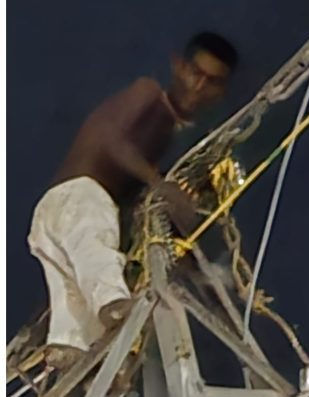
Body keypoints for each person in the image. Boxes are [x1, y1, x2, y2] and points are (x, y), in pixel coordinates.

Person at [28, 32, 239, 369]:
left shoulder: (162, 139)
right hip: (79, 199)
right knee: (98, 260)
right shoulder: (148, 93)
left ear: (220, 92)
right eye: (195, 72)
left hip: (54, 218)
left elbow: (140, 211)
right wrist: (159, 184)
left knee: (73, 305)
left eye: (211, 81)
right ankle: (113, 303)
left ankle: (67, 348)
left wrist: (200, 273)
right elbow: (108, 137)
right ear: (178, 66)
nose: (199, 86)